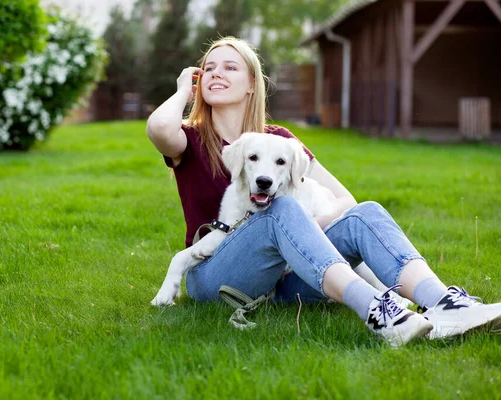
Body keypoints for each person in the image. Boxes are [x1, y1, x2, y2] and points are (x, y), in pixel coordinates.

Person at [146, 36, 501, 346]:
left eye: (230, 67)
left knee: (367, 212)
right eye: (209, 68)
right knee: (280, 210)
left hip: (284, 284)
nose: (217, 73)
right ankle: (379, 310)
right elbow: (159, 127)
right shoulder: (189, 137)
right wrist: (182, 91)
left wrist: (305, 230)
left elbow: (345, 200)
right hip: (216, 277)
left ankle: (446, 305)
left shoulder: (282, 140)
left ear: (252, 84)